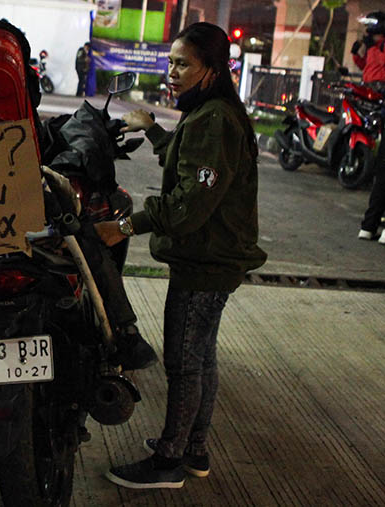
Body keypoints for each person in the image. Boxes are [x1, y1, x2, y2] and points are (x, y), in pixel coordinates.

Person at [94, 22, 267, 489]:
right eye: (170, 62)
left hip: (205, 263)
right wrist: (153, 130)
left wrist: (125, 226)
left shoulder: (214, 119)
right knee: (202, 359)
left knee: (185, 363)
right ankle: (193, 449)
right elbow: (195, 168)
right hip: (213, 259)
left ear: (211, 69)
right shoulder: (213, 113)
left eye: (183, 63)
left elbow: (189, 204)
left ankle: (168, 461)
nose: (172, 72)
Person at [352, 11, 385, 243]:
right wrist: (357, 52)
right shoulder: (374, 48)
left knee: (382, 176)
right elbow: (365, 66)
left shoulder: (381, 48)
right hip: (371, 92)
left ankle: (369, 225)